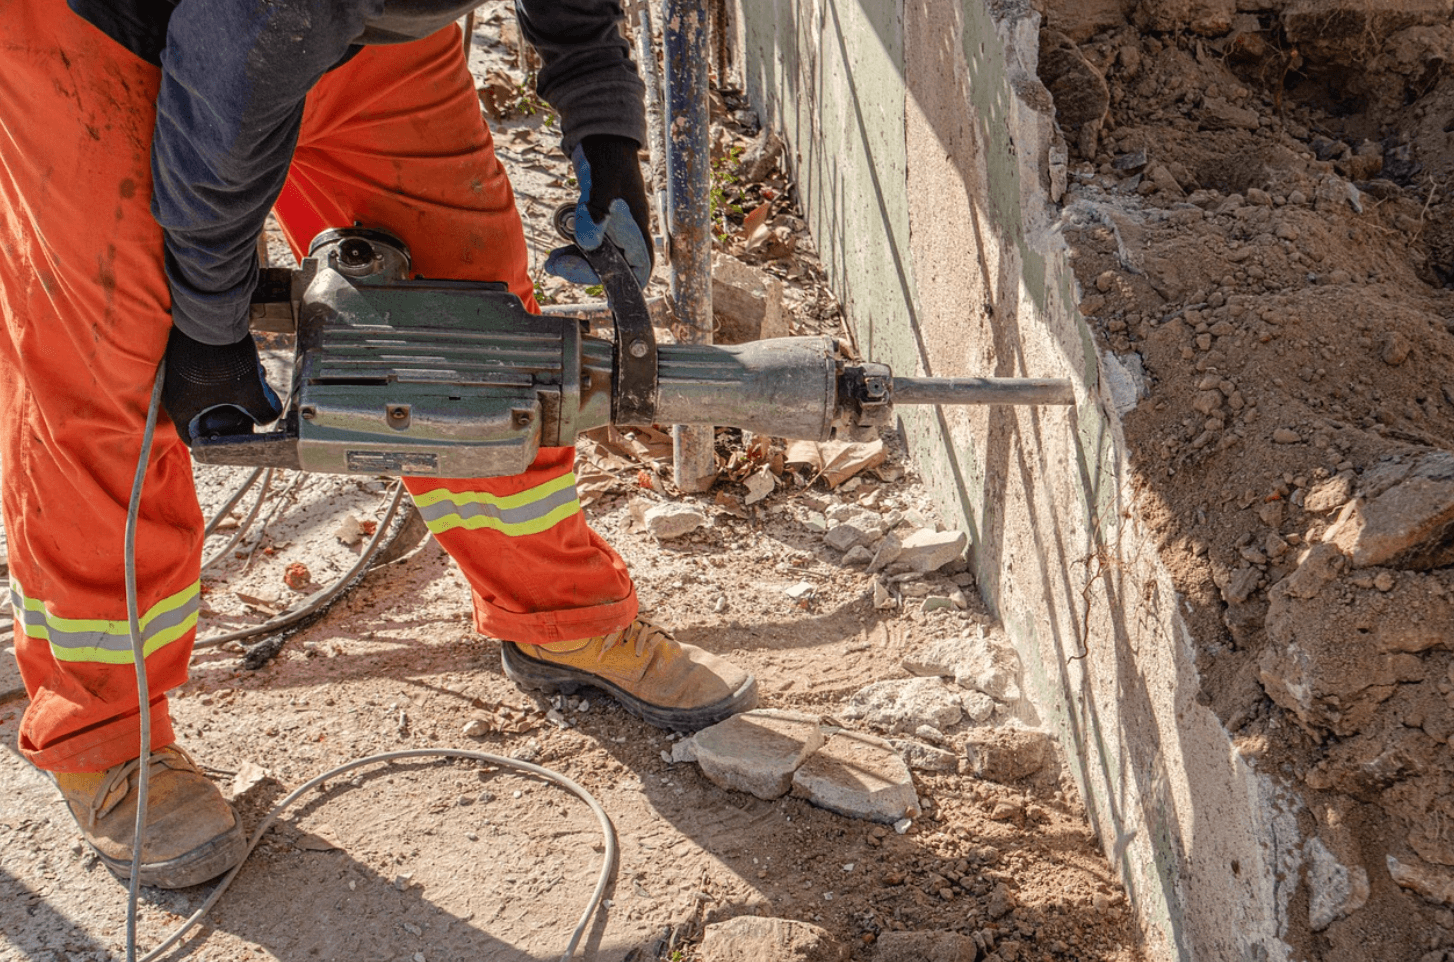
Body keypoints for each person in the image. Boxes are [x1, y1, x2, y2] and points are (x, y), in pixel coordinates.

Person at [0, 0, 756, 891]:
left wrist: (604, 127)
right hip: (103, 33)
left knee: (476, 312)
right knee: (110, 375)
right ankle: (101, 732)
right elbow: (227, 86)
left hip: (344, 27)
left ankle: (558, 612)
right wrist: (208, 325)